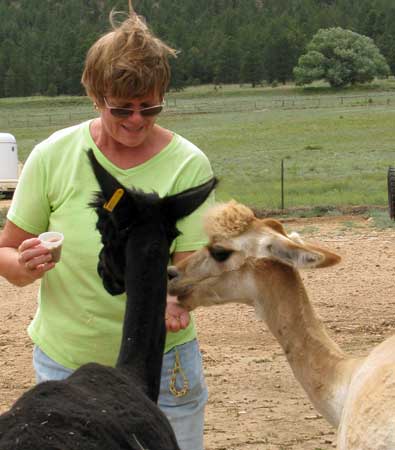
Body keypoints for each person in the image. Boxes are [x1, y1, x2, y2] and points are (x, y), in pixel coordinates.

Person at [0, 9, 214, 450]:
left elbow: (188, 267)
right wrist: (23, 267)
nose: (136, 120)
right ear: (96, 97)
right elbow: (6, 252)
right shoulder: (53, 155)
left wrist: (177, 297)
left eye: (149, 107)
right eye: (122, 108)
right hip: (67, 374)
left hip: (160, 368)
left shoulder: (188, 164)